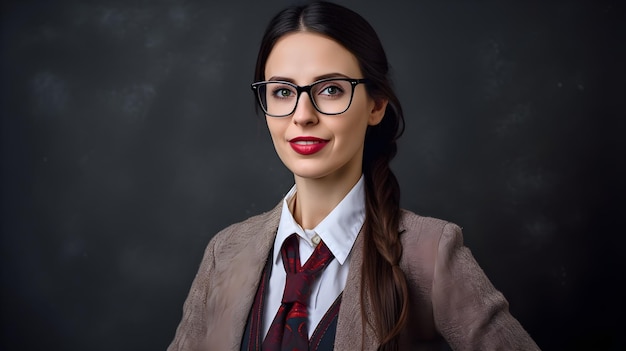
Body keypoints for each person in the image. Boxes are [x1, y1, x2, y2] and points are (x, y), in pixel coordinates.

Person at [168, 1, 540, 350]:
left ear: (376, 104)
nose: (302, 115)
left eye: (330, 89)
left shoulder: (429, 251)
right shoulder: (225, 252)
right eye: (282, 91)